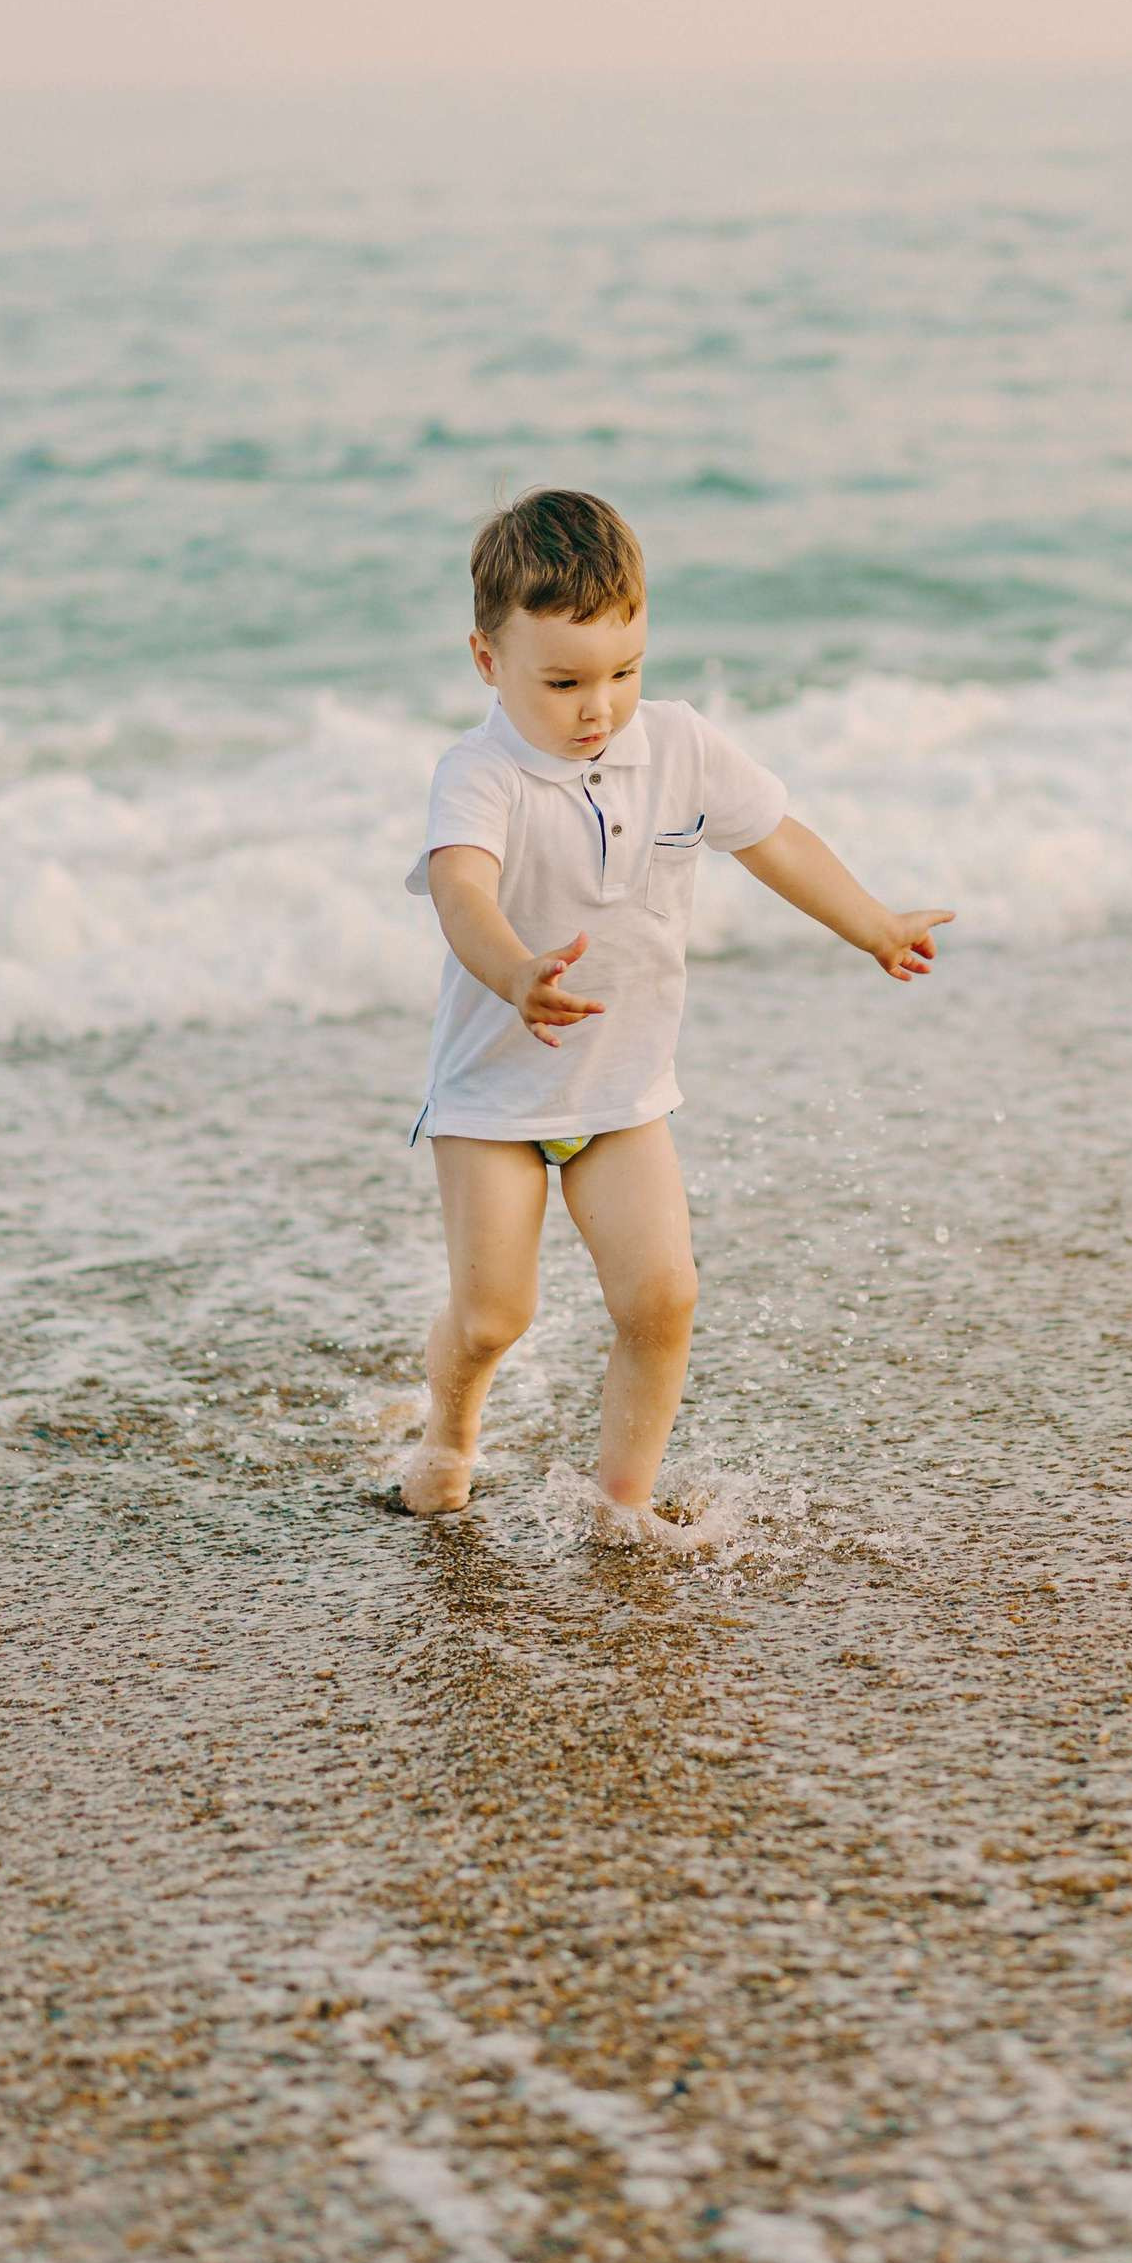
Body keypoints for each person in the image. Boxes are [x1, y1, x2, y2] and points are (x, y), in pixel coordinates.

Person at [400, 487, 953, 1534]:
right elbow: (463, 892)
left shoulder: (680, 746)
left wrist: (871, 923)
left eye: (624, 670)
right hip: (493, 1099)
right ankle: (450, 1429)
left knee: (661, 1298)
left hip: (619, 1091)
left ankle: (622, 1506)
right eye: (561, 681)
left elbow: (774, 838)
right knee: (491, 1315)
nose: (597, 706)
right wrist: (517, 973)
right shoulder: (477, 775)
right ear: (488, 661)